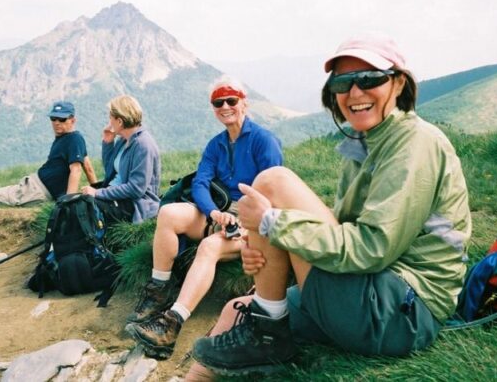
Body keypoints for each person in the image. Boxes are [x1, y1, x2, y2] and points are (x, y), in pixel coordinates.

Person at [188, 33, 472, 378]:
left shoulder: (415, 144)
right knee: (236, 308)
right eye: (342, 81)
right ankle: (261, 331)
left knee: (274, 182)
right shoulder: (364, 142)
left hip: (403, 309)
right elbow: (339, 228)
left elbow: (371, 248)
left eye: (369, 79)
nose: (354, 92)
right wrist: (267, 250)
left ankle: (267, 333)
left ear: (398, 84)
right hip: (373, 289)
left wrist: (272, 225)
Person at [124, 76, 283, 359]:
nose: (225, 106)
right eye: (218, 102)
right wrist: (213, 212)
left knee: (210, 247)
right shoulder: (216, 144)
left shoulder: (264, 141)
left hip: (251, 221)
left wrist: (247, 226)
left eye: (231, 100)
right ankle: (158, 289)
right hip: (219, 213)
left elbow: (273, 190)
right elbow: (200, 182)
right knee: (169, 213)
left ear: (244, 103)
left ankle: (171, 324)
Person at [81, 95, 161, 225]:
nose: (109, 120)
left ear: (119, 121)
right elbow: (109, 172)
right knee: (75, 204)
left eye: (111, 117)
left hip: (135, 204)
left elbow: (136, 189)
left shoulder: (143, 145)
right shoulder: (124, 140)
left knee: (84, 210)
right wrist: (108, 143)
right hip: (117, 194)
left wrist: (98, 193)